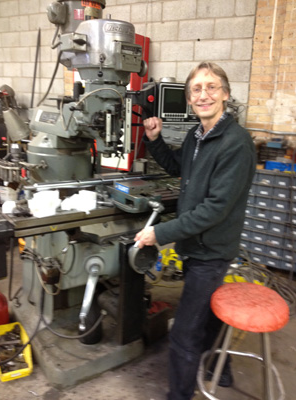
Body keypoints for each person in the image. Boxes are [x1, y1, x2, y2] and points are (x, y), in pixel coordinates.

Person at [134, 61, 257, 400]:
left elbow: (215, 209)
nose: (204, 95)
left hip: (212, 251)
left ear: (225, 94)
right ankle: (223, 369)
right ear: (190, 100)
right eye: (196, 90)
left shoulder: (236, 143)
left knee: (184, 334)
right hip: (195, 246)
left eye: (211, 87)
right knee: (212, 312)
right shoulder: (197, 135)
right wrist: (154, 140)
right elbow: (179, 168)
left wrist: (160, 233)